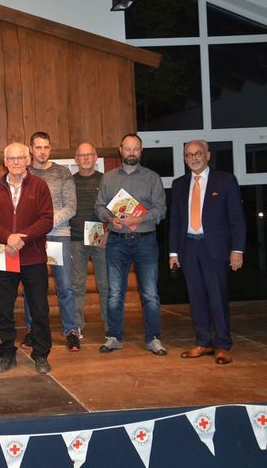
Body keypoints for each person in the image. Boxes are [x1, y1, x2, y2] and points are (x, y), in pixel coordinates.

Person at [170, 140, 245, 365]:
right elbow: (175, 221)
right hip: (189, 248)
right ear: (184, 158)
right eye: (189, 155)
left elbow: (237, 219)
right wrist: (173, 252)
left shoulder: (225, 181)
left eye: (198, 153)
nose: (193, 158)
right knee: (196, 297)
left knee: (217, 297)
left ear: (208, 155)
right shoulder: (179, 184)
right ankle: (203, 341)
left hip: (216, 249)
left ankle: (222, 344)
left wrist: (237, 249)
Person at [0, 142, 54, 374]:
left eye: (20, 158)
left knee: (39, 308)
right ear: (5, 162)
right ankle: (6, 353)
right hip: (4, 257)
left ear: (28, 160)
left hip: (32, 256)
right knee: (3, 309)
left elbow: (46, 220)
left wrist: (21, 238)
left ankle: (41, 354)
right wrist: (8, 237)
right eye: (11, 159)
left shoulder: (40, 186)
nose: (15, 162)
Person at [95, 134, 168, 356]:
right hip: (117, 242)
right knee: (115, 292)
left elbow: (161, 210)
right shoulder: (108, 178)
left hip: (146, 241)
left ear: (141, 150)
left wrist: (139, 219)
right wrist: (109, 218)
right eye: (128, 149)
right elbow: (99, 207)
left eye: (136, 149)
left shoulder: (152, 178)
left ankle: (153, 338)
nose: (132, 153)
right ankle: (114, 337)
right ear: (120, 150)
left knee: (150, 294)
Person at [27, 132, 79, 350]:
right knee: (33, 287)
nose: (42, 151)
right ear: (30, 149)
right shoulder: (25, 173)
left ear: (51, 148)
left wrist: (47, 223)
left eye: (46, 147)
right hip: (33, 238)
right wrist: (36, 229)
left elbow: (71, 207)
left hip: (58, 235)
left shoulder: (62, 172)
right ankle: (33, 330)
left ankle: (72, 331)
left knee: (65, 286)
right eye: (38, 147)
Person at [69, 142, 108, 336]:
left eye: (89, 155)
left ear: (95, 158)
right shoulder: (70, 181)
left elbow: (115, 209)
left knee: (105, 284)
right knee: (77, 284)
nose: (85, 158)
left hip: (101, 236)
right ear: (76, 159)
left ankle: (111, 327)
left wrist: (108, 232)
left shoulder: (106, 180)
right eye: (81, 155)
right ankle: (76, 327)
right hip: (75, 238)